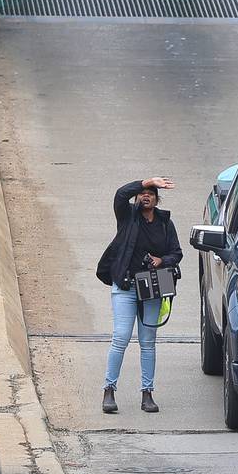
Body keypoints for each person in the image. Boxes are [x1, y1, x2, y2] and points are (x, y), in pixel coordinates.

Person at [95, 177, 183, 414]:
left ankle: (147, 394)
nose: (146, 196)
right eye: (142, 193)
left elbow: (177, 252)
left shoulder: (165, 222)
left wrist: (161, 260)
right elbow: (120, 194)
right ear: (137, 197)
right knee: (121, 337)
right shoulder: (127, 216)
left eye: (151, 193)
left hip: (152, 289)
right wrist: (146, 180)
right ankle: (109, 390)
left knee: (148, 343)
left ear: (156, 199)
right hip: (125, 286)